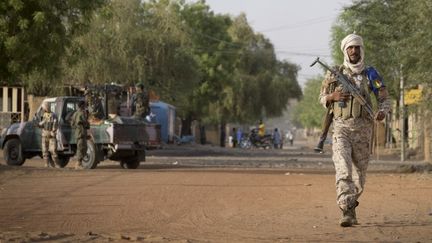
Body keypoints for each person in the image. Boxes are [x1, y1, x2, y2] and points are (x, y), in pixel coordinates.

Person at [318, 33, 391, 227]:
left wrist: (382, 112)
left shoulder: (371, 74)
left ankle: (351, 204)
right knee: (343, 169)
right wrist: (332, 97)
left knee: (360, 177)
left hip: (364, 130)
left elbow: (384, 98)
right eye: (350, 48)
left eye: (356, 47)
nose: (353, 51)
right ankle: (347, 210)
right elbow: (322, 98)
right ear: (345, 50)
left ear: (361, 50)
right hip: (341, 129)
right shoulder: (334, 73)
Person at [38, 101, 59, 168]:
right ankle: (46, 164)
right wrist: (39, 125)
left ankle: (56, 164)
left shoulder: (54, 115)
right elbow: (42, 123)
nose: (43, 109)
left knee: (53, 150)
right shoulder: (43, 115)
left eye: (44, 107)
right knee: (45, 150)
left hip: (51, 134)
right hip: (44, 134)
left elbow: (55, 124)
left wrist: (53, 131)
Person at [71, 100, 90, 169]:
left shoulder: (75, 113)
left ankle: (79, 163)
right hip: (81, 133)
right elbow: (85, 123)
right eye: (84, 105)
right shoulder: (81, 113)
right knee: (81, 148)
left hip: (79, 133)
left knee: (83, 148)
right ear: (82, 106)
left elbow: (72, 124)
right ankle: (78, 164)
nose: (85, 106)